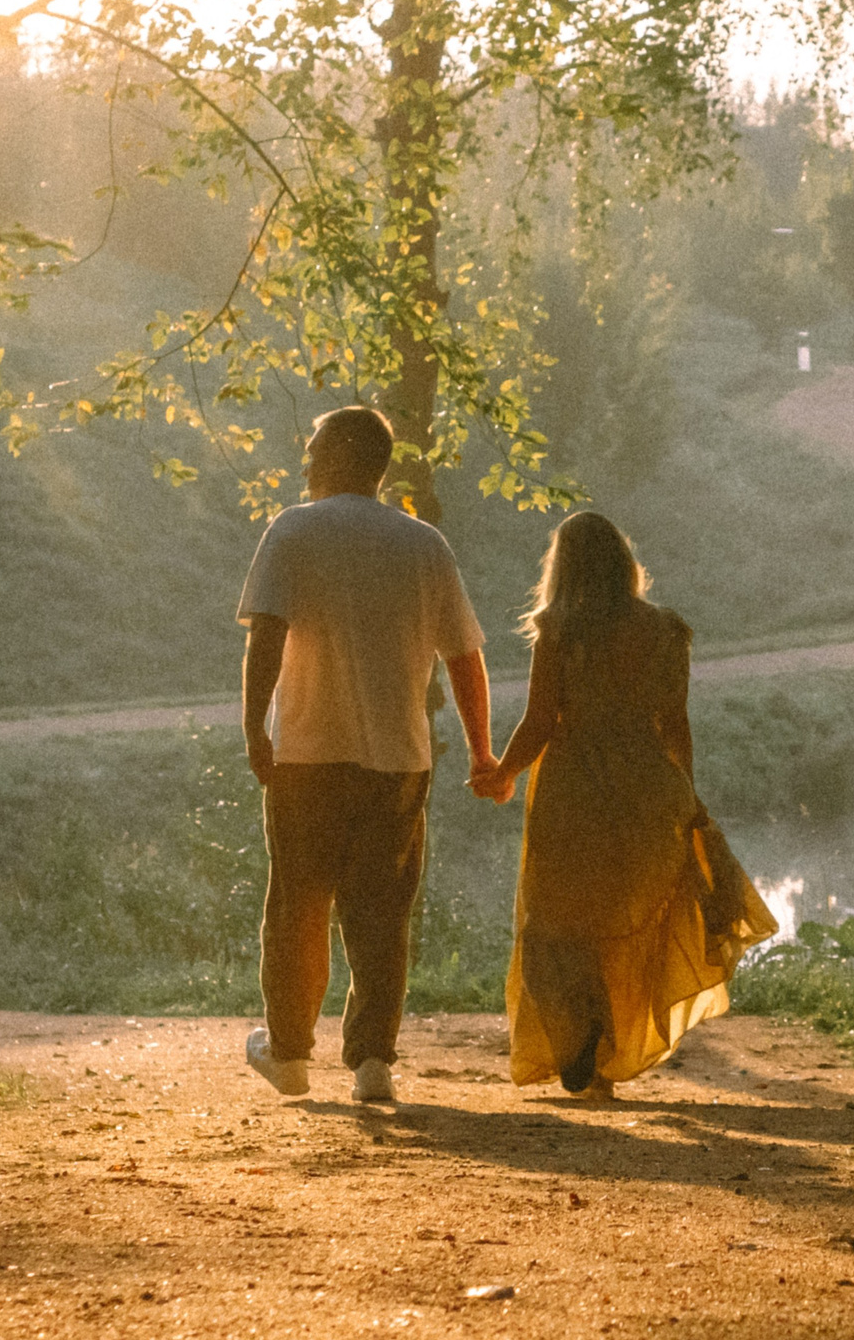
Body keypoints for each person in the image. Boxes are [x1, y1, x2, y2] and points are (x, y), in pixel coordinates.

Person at [237, 405, 493, 1103]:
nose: (305, 455)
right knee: (381, 912)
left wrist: (255, 727)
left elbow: (265, 638)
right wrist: (481, 751)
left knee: (299, 904)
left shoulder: (291, 531)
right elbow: (465, 657)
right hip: (398, 760)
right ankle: (373, 1062)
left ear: (337, 457)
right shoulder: (423, 544)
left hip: (307, 757)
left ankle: (289, 1054)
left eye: (313, 444)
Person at [474, 511, 775, 1099]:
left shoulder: (559, 630)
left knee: (555, 924)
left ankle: (580, 1039)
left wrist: (503, 771)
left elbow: (541, 719)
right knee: (628, 924)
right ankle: (607, 1056)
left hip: (574, 789)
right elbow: (675, 724)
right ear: (623, 561)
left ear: (561, 568)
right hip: (647, 789)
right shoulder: (668, 632)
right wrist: (685, 796)